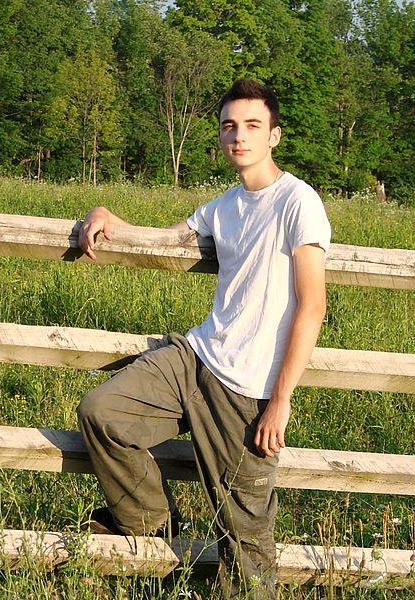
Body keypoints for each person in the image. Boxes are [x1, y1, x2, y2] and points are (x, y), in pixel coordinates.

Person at [76, 77, 331, 599]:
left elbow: (313, 306)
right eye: (229, 126)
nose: (239, 136)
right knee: (102, 413)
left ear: (274, 136)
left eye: (252, 126)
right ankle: (152, 529)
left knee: (247, 542)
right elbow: (165, 239)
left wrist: (280, 402)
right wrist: (105, 217)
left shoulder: (297, 202)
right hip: (197, 357)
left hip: (248, 390)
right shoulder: (223, 206)